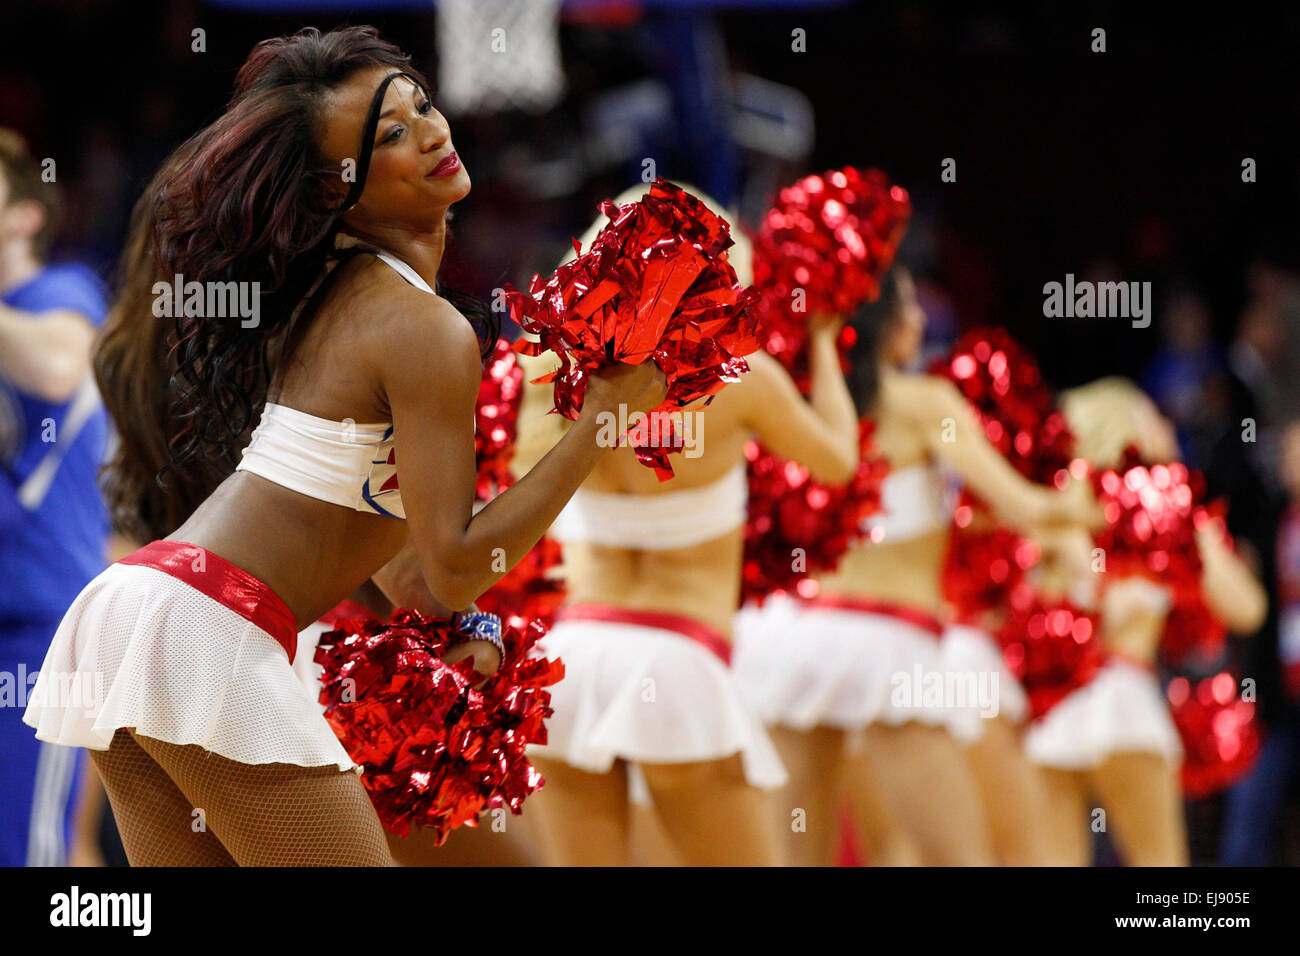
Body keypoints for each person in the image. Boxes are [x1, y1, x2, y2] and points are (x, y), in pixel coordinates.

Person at [23, 25, 665, 867]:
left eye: (420, 107)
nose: (432, 132)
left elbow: (394, 562)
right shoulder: (422, 328)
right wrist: (603, 418)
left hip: (139, 612)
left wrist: (463, 627)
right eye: (388, 137)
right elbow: (458, 559)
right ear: (338, 189)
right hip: (207, 627)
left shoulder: (340, 297)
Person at [512, 184, 860, 866]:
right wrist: (823, 343)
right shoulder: (744, 380)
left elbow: (510, 497)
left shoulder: (554, 369)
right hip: (678, 668)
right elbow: (839, 463)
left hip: (570, 663)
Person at [733, 266, 1096, 865]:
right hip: (892, 649)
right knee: (961, 859)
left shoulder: (807, 406)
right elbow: (1025, 507)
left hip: (795, 644)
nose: (923, 319)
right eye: (910, 306)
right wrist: (1088, 506)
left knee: (798, 859)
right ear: (885, 325)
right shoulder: (926, 403)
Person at [1028, 378, 1267, 866]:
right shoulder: (1167, 504)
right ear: (1130, 426)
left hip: (1048, 708)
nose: (1168, 426)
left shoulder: (1052, 509)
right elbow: (1246, 608)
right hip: (1123, 699)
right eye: (1155, 416)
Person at [0, 128, 110, 867]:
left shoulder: (62, 294)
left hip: (41, 625)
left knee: (37, 852)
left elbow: (57, 369)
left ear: (24, 214)